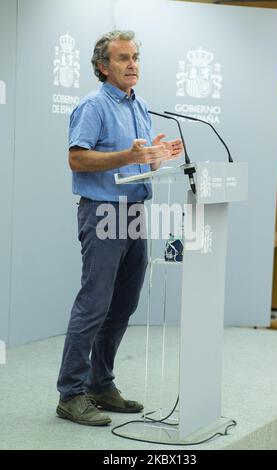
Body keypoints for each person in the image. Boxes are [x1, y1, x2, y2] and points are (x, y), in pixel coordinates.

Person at [56, 30, 183, 426]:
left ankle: (101, 383)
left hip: (134, 211)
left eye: (136, 57)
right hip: (102, 212)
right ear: (103, 66)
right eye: (123, 58)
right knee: (94, 304)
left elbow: (139, 162)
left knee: (123, 305)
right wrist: (127, 154)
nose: (133, 65)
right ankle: (71, 394)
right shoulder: (92, 106)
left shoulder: (140, 105)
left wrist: (154, 157)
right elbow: (78, 160)